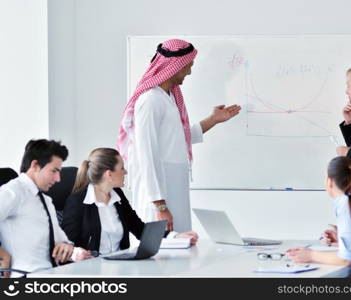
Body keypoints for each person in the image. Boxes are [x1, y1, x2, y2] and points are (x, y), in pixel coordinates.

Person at [117, 39, 241, 232]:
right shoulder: (150, 101)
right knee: (160, 251)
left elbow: (177, 139)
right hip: (158, 198)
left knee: (181, 246)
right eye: (187, 67)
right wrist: (160, 205)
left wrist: (213, 120)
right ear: (174, 67)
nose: (189, 72)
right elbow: (146, 155)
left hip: (173, 190)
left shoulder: (168, 98)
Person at [62, 148, 198, 256]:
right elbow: (66, 243)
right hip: (91, 270)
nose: (126, 172)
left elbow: (140, 229)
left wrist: (175, 236)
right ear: (109, 174)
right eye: (122, 168)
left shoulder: (117, 196)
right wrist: (75, 252)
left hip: (120, 264)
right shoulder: (78, 202)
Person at [0, 139, 83, 277]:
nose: (58, 179)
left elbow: (60, 239)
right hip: (26, 279)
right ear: (35, 165)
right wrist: (2, 254)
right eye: (54, 171)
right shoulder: (13, 192)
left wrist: (66, 246)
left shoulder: (46, 200)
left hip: (52, 275)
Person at [286, 157, 351, 265]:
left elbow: (347, 259)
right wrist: (340, 238)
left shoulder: (347, 205)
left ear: (329, 181)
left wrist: (310, 255)